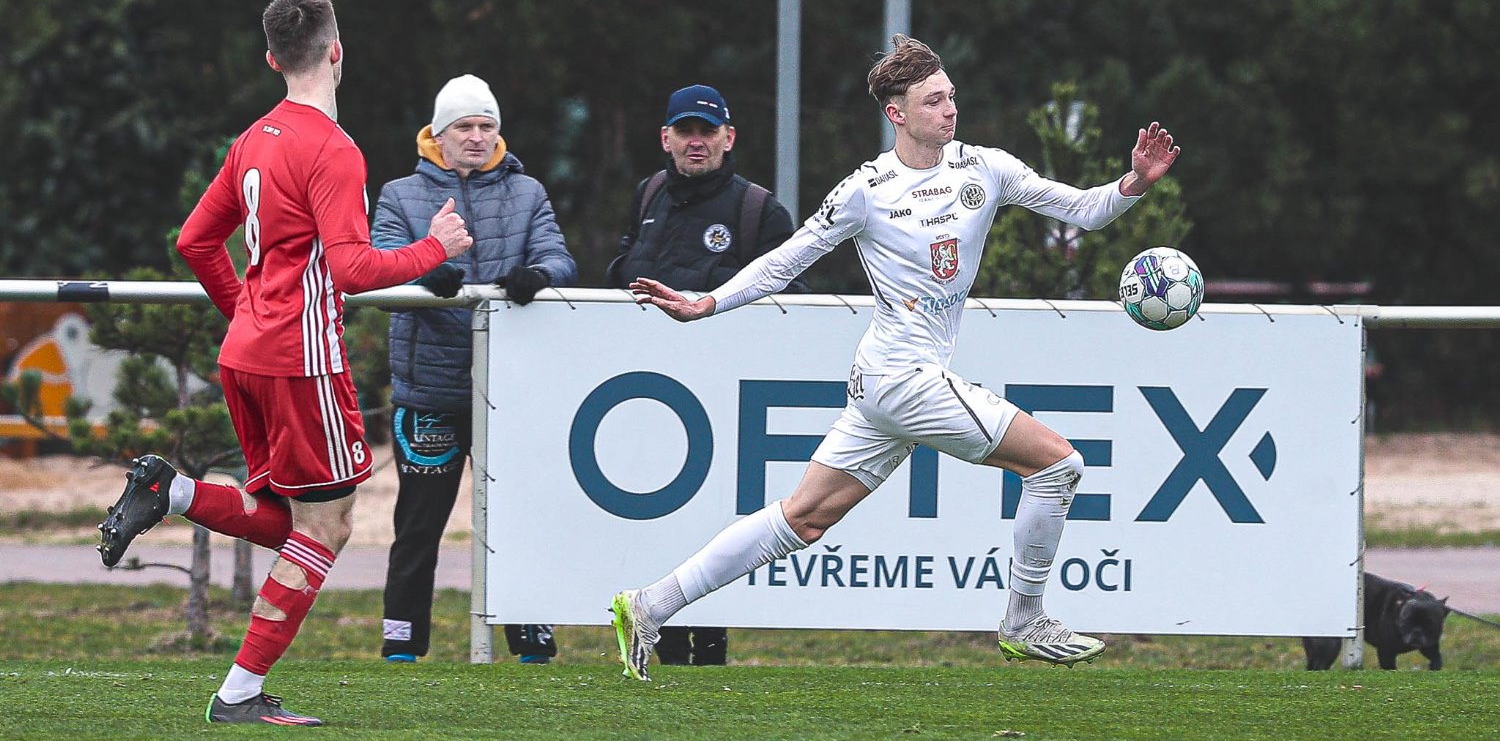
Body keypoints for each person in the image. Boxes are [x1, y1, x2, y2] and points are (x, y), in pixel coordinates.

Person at [611, 36, 1179, 680]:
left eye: (951, 97)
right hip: (900, 377)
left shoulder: (986, 168)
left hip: (888, 384)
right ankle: (1024, 619)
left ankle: (650, 604)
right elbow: (786, 260)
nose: (949, 109)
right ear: (896, 113)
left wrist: (1134, 182)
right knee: (1058, 465)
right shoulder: (867, 189)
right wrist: (708, 303)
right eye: (932, 101)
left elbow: (1084, 209)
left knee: (804, 518)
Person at [97, 0, 472, 726]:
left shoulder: (253, 139)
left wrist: (246, 313)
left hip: (247, 355)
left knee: (293, 520)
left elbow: (195, 242)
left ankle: (172, 492)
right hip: (302, 362)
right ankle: (239, 690)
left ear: (273, 59)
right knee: (325, 529)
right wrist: (436, 247)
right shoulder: (333, 148)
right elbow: (354, 269)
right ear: (337, 51)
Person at [373, 73, 577, 665]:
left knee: (519, 521)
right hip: (429, 392)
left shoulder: (528, 192)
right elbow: (379, 263)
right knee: (419, 526)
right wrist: (422, 268)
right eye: (464, 125)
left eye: (487, 125)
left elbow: (559, 258)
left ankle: (532, 643)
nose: (477, 136)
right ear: (438, 134)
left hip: (509, 391)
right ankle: (402, 642)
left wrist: (538, 276)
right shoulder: (400, 195)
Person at [607, 83, 805, 667]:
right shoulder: (648, 195)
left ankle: (711, 646)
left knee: (715, 521)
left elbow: (796, 301)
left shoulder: (758, 210)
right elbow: (621, 266)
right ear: (665, 138)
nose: (697, 142)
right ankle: (662, 638)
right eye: (686, 131)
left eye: (708, 131)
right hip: (651, 393)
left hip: (726, 395)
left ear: (729, 138)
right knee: (657, 519)